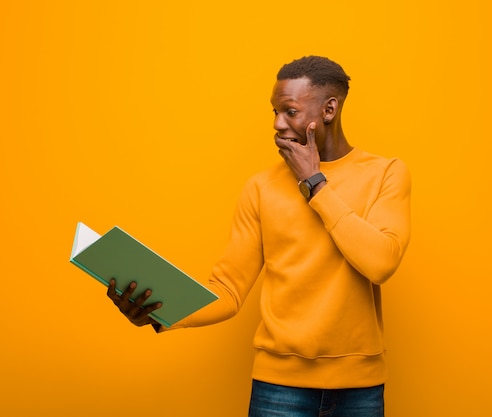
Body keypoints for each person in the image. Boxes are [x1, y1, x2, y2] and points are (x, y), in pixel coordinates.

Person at [107, 56, 411, 417]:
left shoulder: (386, 174)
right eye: (274, 112)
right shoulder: (261, 188)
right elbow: (228, 290)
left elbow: (381, 262)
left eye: (290, 111)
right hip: (278, 390)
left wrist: (316, 186)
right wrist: (161, 312)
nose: (278, 124)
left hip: (359, 390)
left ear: (329, 109)